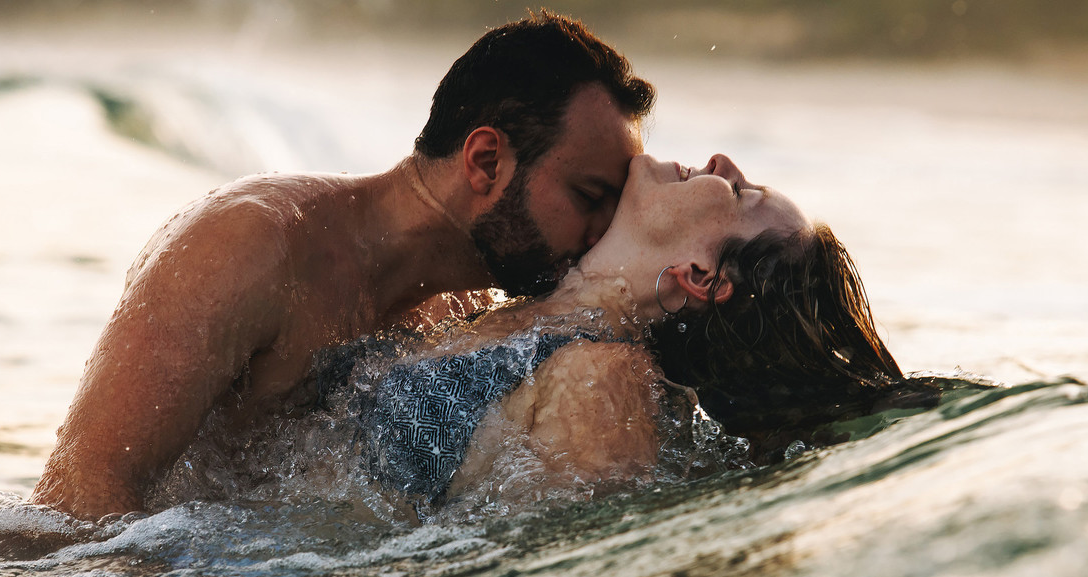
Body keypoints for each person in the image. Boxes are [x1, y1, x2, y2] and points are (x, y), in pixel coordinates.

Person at [29, 11, 655, 521]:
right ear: (487, 161)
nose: (602, 234)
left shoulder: (465, 310)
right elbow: (82, 493)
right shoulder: (252, 246)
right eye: (590, 198)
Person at [302, 153, 903, 510]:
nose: (722, 164)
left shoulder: (607, 384)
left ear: (701, 276)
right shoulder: (483, 302)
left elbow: (547, 567)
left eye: (740, 194)